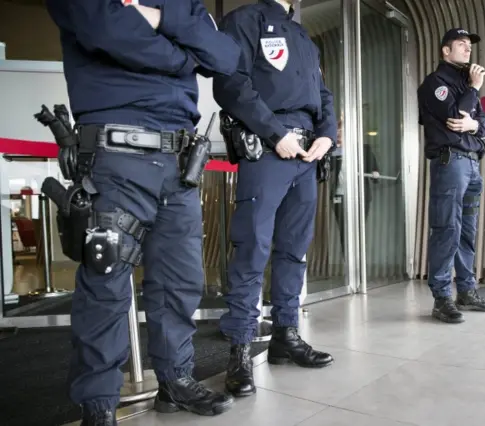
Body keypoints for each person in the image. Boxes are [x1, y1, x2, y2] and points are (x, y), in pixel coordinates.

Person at [44, 1, 241, 424]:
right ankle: (98, 401)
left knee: (179, 281)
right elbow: (106, 33)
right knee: (106, 281)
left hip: (180, 162)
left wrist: (159, 19)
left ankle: (175, 380)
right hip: (115, 157)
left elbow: (224, 56)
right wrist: (184, 53)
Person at [212, 0, 338, 398]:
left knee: (294, 251)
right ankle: (240, 350)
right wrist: (273, 133)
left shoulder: (301, 34)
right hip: (269, 149)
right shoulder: (244, 20)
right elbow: (230, 83)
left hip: (307, 155)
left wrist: (327, 134)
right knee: (252, 249)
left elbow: (323, 94)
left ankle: (286, 334)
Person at [417, 28, 485, 324]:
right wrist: (474, 90)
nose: (468, 50)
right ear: (445, 51)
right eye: (461, 45)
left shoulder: (465, 85)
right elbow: (455, 119)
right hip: (450, 162)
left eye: (469, 46)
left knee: (467, 231)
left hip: (472, 164)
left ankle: (466, 291)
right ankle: (441, 298)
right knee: (446, 228)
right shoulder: (435, 83)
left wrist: (474, 126)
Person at [330, 117, 380, 257]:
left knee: (358, 229)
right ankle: (348, 261)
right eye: (337, 132)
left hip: (361, 196)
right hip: (339, 195)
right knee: (344, 230)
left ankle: (358, 263)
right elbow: (327, 171)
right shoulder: (333, 151)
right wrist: (336, 150)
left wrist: (375, 173)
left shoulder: (364, 149)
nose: (339, 134)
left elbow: (374, 169)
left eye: (342, 132)